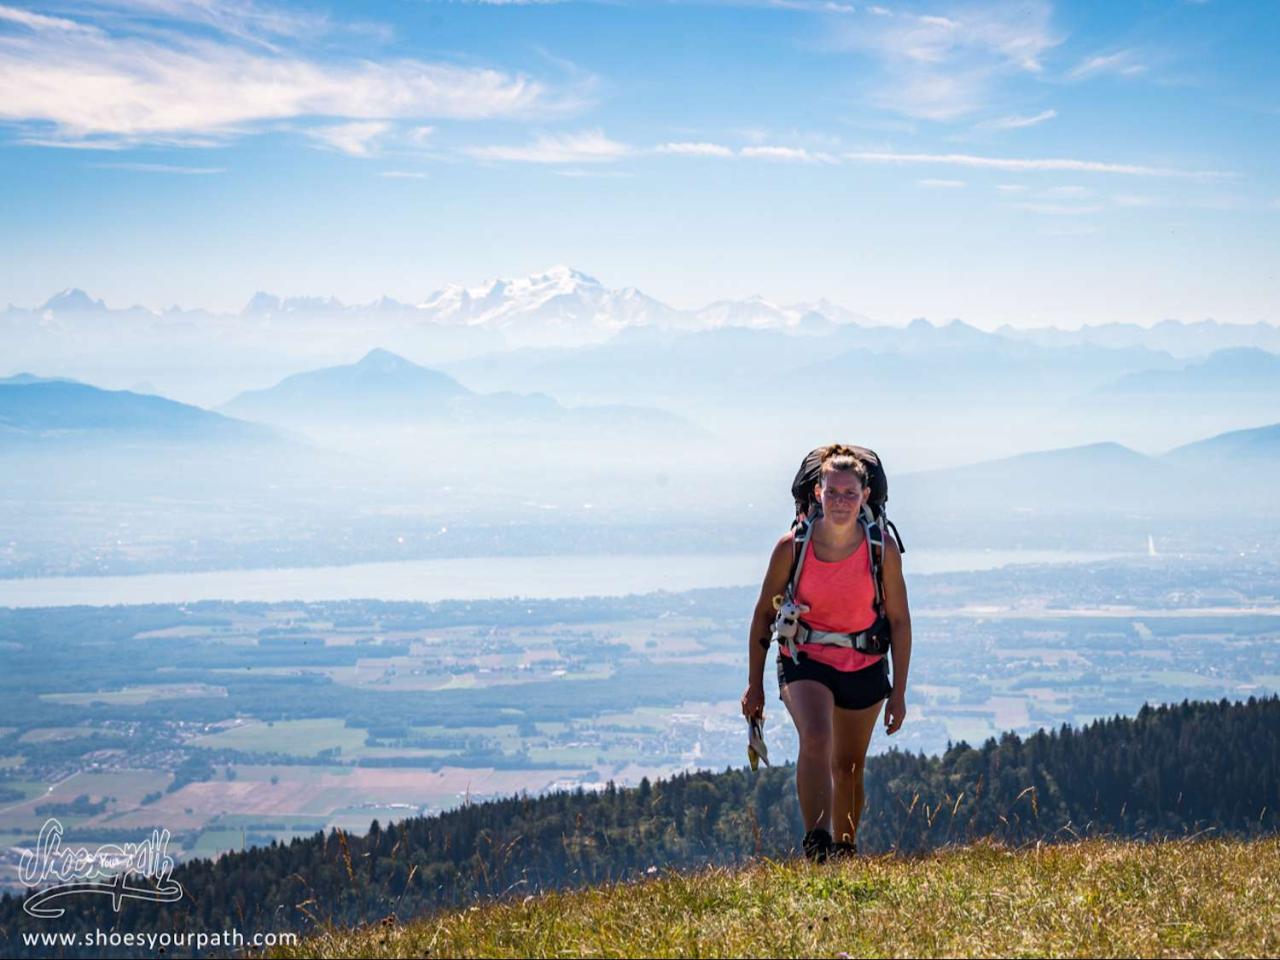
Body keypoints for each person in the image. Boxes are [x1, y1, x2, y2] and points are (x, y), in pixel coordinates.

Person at [741, 444, 912, 862]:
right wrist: (755, 685)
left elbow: (901, 622)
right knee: (816, 737)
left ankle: (845, 851)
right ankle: (818, 846)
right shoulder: (792, 547)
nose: (840, 502)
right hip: (805, 658)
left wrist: (899, 693)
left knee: (850, 765)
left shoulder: (881, 549)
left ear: (865, 496)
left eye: (849, 494)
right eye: (832, 492)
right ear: (817, 492)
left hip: (865, 661)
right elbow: (764, 614)